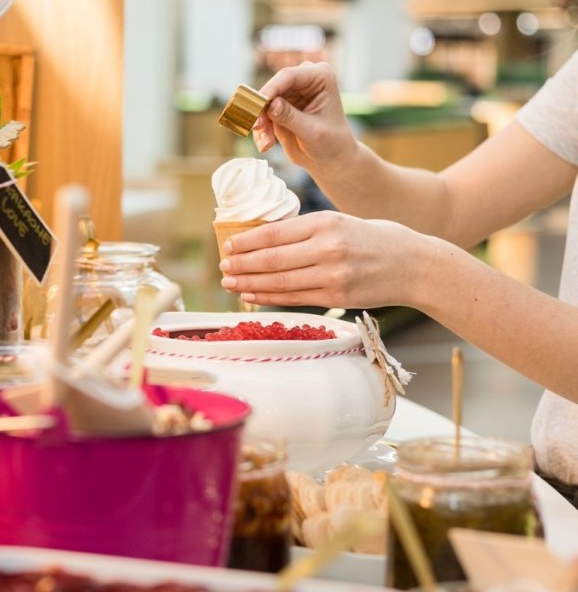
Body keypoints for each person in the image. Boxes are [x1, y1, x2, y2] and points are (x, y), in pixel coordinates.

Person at [218, 58, 578, 500]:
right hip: (556, 480)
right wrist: (340, 158)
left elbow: (433, 240)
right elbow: (449, 209)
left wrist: (423, 272)